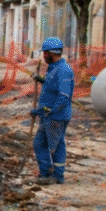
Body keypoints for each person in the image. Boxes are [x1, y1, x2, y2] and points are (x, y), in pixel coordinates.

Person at [30, 36, 75, 185]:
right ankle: (46, 172)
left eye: (45, 53)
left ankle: (57, 176)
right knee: (39, 143)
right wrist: (40, 79)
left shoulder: (64, 70)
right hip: (48, 115)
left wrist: (51, 111)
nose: (43, 56)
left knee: (56, 146)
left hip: (56, 116)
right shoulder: (54, 68)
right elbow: (51, 85)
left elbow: (64, 96)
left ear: (52, 53)